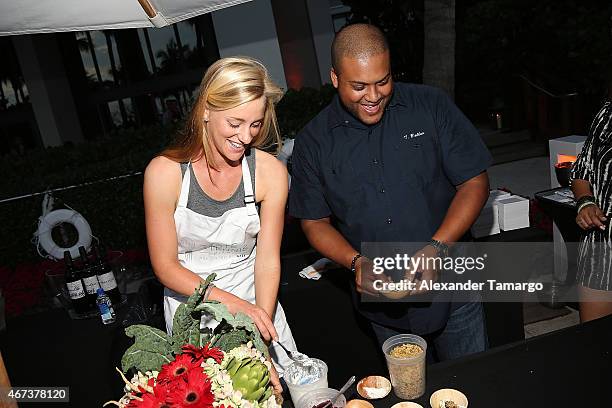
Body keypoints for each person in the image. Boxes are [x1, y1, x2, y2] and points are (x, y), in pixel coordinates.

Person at [288, 24, 491, 361]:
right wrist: (355, 263)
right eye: (359, 86)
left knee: (469, 384)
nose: (373, 96)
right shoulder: (314, 142)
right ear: (335, 78)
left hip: (455, 286)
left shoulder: (430, 105)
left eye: (382, 81)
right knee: (408, 393)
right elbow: (314, 222)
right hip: (383, 307)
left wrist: (437, 246)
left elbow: (474, 182)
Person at [144, 57, 297, 390]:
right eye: (236, 122)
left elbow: (268, 260)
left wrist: (258, 331)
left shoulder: (270, 173)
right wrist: (235, 306)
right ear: (206, 110)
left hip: (258, 300)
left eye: (256, 124)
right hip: (193, 312)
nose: (246, 136)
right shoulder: (164, 174)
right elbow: (165, 267)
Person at [570, 100, 612, 322]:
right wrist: (585, 202)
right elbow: (580, 170)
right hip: (601, 247)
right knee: (594, 344)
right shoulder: (607, 114)